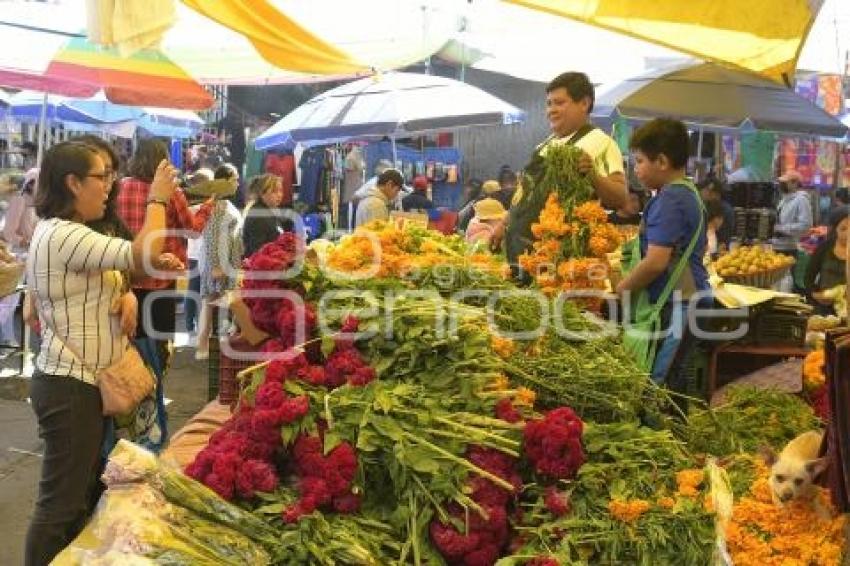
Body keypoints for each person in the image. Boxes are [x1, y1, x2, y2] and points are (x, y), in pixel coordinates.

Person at [24, 141, 177, 566]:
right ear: (72, 183)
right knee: (60, 505)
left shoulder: (72, 233)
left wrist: (126, 295)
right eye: (101, 177)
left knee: (81, 496)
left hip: (81, 385)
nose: (108, 186)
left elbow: (123, 273)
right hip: (70, 387)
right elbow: (142, 255)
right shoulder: (64, 233)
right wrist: (158, 198)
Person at [616, 118, 709, 395]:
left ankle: (665, 435)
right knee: (673, 382)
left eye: (640, 161)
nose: (636, 169)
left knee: (658, 387)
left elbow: (656, 261)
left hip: (679, 306)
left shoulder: (669, 200)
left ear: (662, 161)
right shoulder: (689, 193)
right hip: (689, 301)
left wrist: (623, 288)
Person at [504, 71, 627, 270]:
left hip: (560, 260)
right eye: (549, 103)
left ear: (584, 103)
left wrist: (592, 175)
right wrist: (504, 224)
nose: (551, 110)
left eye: (559, 103)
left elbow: (620, 198)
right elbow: (524, 194)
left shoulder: (602, 143)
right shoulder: (544, 145)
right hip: (520, 254)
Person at [190, 173, 242, 360]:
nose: (237, 183)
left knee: (214, 302)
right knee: (210, 302)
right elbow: (213, 237)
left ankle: (207, 344)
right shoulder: (219, 207)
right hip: (218, 262)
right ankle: (203, 345)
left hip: (224, 261)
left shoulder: (224, 206)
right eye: (234, 180)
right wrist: (217, 266)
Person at [805, 206, 849, 314]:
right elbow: (808, 279)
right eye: (843, 229)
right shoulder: (824, 248)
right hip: (824, 310)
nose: (848, 233)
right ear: (835, 230)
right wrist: (816, 295)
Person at [242, 174, 294, 258]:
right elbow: (258, 252)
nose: (279, 195)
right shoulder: (258, 216)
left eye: (281, 191)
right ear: (262, 193)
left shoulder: (270, 210)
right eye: (274, 191)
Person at [773, 170, 813, 251]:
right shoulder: (784, 200)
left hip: (788, 248)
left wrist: (780, 229)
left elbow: (805, 226)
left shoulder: (801, 200)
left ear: (795, 184)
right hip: (776, 245)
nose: (781, 185)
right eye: (781, 182)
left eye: (785, 182)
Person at [2, 167, 38, 251]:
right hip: (19, 249)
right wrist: (28, 244)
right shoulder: (19, 198)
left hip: (26, 246)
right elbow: (9, 233)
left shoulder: (29, 197)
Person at [698, 178, 734, 245]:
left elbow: (725, 236)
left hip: (718, 247)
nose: (701, 193)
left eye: (705, 190)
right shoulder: (703, 205)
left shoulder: (725, 210)